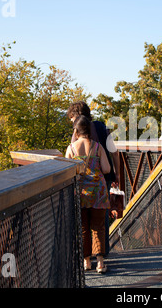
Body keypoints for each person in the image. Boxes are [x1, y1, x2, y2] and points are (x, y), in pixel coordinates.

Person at [67, 101, 120, 256]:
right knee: (100, 220)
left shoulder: (76, 134)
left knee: (84, 222)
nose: (72, 123)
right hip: (104, 178)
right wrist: (117, 173)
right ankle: (102, 254)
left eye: (72, 119)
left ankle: (86, 257)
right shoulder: (102, 127)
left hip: (84, 182)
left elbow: (72, 157)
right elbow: (115, 152)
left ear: (77, 117)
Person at [65, 115, 110, 273]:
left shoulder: (71, 149)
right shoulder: (98, 147)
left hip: (81, 193)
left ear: (76, 131)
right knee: (98, 227)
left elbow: (67, 172)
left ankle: (86, 262)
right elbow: (106, 169)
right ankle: (100, 263)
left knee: (83, 227)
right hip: (98, 192)